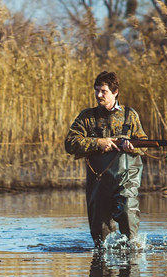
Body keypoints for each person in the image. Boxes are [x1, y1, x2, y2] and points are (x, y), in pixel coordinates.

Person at [65, 71, 148, 249]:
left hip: (126, 178)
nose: (99, 95)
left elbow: (144, 144)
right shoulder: (87, 117)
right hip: (99, 181)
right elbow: (70, 143)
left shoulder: (129, 115)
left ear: (115, 92)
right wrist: (98, 143)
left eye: (103, 91)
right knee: (100, 235)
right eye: (97, 91)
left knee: (127, 213)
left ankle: (132, 257)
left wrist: (133, 146)